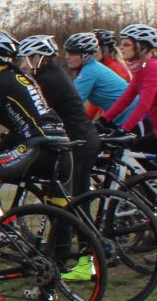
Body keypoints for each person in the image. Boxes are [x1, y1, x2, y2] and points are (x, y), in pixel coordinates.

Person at [101, 24, 157, 247]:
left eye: (127, 44)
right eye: (122, 43)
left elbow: (144, 104)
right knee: (131, 149)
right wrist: (104, 121)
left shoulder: (153, 68)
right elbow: (128, 97)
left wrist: (124, 129)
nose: (122, 47)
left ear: (141, 47)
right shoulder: (141, 68)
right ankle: (154, 191)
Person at [0, 31, 65, 185]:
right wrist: (2, 146)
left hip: (38, 146)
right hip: (58, 141)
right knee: (59, 200)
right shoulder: (20, 77)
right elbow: (20, 121)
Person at [17, 34, 99, 196]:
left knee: (71, 200)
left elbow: (36, 117)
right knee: (71, 200)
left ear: (37, 58)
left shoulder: (47, 80)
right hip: (79, 140)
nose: (22, 66)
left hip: (78, 143)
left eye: (24, 60)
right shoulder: (50, 73)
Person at [62, 33, 128, 121]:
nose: (67, 57)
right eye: (67, 53)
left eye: (72, 53)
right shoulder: (91, 67)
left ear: (85, 55)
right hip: (120, 116)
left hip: (130, 115)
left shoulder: (89, 71)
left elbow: (72, 103)